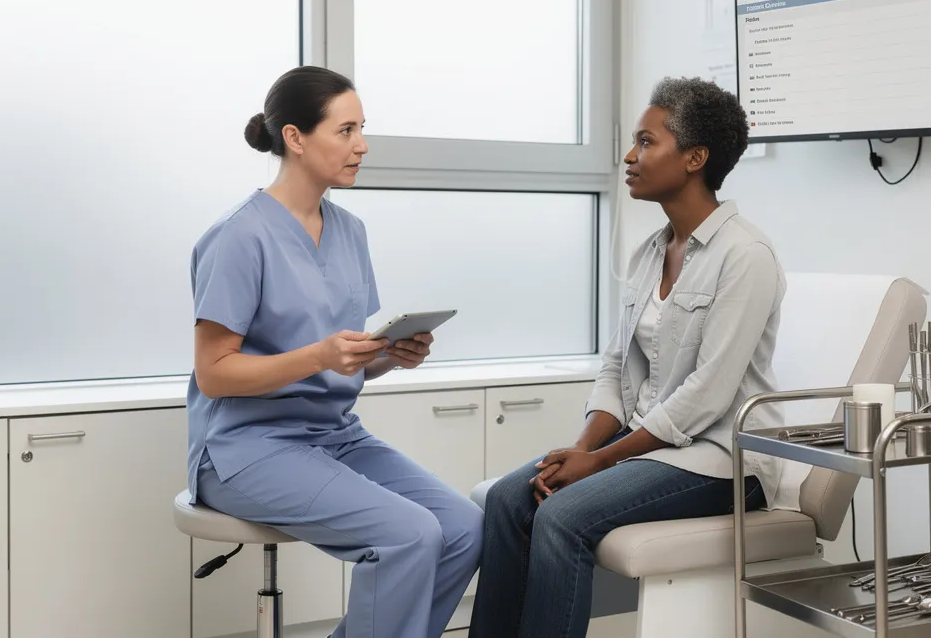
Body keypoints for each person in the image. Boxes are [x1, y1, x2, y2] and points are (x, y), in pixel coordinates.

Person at [468, 77, 786, 638]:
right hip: (651, 448)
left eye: (645, 141)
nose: (628, 155)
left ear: (694, 157)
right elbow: (617, 366)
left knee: (562, 517)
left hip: (723, 460)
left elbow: (707, 396)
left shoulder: (746, 256)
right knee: (508, 498)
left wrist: (605, 461)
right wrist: (584, 447)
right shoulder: (651, 251)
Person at [186, 65, 483, 638]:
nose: (362, 146)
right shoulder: (238, 237)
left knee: (465, 527)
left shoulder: (349, 231)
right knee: (409, 535)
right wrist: (321, 357)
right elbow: (215, 374)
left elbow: (342, 360)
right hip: (245, 447)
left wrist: (387, 355)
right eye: (346, 131)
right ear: (295, 138)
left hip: (334, 436)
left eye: (362, 129)